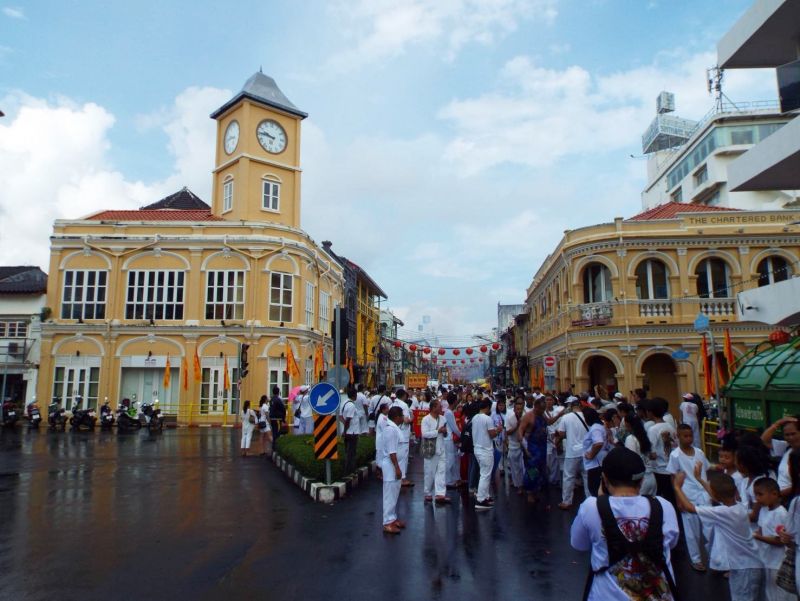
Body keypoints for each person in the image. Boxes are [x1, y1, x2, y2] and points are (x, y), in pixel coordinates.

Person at [570, 446, 680, 601]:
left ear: (604, 479)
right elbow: (671, 543)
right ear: (641, 480)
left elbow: (578, 544)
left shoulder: (591, 507)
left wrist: (601, 499)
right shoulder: (663, 506)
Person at [674, 470, 765, 601]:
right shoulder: (738, 507)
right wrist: (700, 479)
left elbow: (690, 508)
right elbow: (717, 495)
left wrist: (677, 487)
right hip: (745, 565)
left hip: (744, 567)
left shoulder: (723, 512)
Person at [667, 423, 711, 572]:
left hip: (704, 495)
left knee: (710, 528)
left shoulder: (699, 452)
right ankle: (696, 559)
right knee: (691, 530)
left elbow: (706, 471)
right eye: (685, 436)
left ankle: (716, 558)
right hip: (687, 495)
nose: (689, 438)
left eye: (690, 435)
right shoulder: (675, 455)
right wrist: (678, 499)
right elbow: (673, 477)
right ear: (678, 437)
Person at [752, 477, 792, 601]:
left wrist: (758, 537)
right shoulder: (764, 510)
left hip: (778, 562)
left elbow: (780, 541)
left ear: (774, 494)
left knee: (780, 594)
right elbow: (760, 529)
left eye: (760, 494)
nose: (757, 498)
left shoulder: (781, 514)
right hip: (766, 559)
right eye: (756, 495)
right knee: (769, 592)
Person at [555, 400, 590, 509]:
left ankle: (566, 501)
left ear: (571, 406)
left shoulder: (566, 417)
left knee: (568, 477)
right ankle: (589, 500)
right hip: (586, 451)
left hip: (572, 451)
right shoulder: (587, 416)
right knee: (587, 477)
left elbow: (560, 433)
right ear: (580, 406)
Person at [647, 397, 677, 504]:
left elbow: (653, 454)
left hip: (659, 470)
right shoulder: (670, 426)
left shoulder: (653, 429)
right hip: (671, 469)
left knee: (660, 500)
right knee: (671, 499)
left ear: (651, 412)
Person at [381, 407, 406, 534]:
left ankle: (392, 518)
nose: (403, 418)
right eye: (401, 415)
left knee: (394, 494)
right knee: (389, 495)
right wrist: (397, 468)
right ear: (396, 417)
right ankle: (387, 522)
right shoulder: (390, 430)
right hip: (391, 467)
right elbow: (392, 452)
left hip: (395, 466)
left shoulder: (394, 428)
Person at [761, 416, 800, 498]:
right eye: (787, 435)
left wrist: (777, 495)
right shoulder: (787, 447)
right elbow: (764, 440)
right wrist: (778, 423)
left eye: (793, 434)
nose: (790, 438)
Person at [471, 398, 500, 510]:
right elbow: (492, 434)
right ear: (487, 407)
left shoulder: (475, 417)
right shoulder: (487, 419)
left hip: (477, 448)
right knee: (485, 475)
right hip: (485, 449)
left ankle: (485, 496)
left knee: (484, 474)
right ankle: (481, 499)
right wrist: (498, 430)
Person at [519, 397, 548, 504]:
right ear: (535, 407)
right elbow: (520, 431)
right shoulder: (528, 416)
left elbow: (548, 422)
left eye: (543, 409)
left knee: (541, 470)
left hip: (542, 446)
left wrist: (560, 414)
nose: (542, 411)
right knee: (532, 471)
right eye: (540, 409)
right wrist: (525, 449)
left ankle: (535, 491)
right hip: (532, 447)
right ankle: (529, 492)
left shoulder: (542, 415)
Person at [421, 399, 449, 505]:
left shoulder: (443, 418)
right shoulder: (426, 419)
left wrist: (445, 432)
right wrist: (438, 431)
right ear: (433, 408)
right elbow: (424, 434)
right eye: (439, 406)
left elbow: (445, 433)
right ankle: (427, 492)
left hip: (441, 448)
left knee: (441, 471)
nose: (441, 408)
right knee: (430, 472)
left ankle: (440, 494)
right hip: (430, 449)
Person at [583, 408, 616, 497]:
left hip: (596, 465)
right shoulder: (600, 426)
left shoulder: (595, 428)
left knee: (595, 490)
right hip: (601, 462)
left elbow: (598, 443)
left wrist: (591, 455)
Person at [622, 412, 657, 496]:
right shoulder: (645, 436)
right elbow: (654, 456)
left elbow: (631, 461)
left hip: (640, 480)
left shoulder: (630, 439)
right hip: (651, 477)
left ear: (627, 424)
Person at [392, 389, 413, 487]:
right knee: (403, 457)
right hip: (403, 434)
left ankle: (396, 476)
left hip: (394, 433)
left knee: (395, 455)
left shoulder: (392, 404)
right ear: (404, 395)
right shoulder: (404, 405)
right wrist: (412, 418)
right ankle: (403, 479)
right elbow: (406, 420)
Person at [443, 391, 462, 488]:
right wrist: (462, 435)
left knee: (453, 459)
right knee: (449, 460)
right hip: (449, 439)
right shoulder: (449, 413)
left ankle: (453, 479)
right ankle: (448, 481)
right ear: (454, 402)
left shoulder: (448, 412)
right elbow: (454, 428)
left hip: (450, 439)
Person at [544, 394, 565, 486]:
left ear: (553, 401)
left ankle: (557, 480)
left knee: (559, 460)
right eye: (547, 400)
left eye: (550, 400)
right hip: (547, 441)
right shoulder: (542, 412)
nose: (548, 402)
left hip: (558, 439)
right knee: (549, 461)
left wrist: (558, 437)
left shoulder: (558, 410)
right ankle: (550, 478)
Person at [506, 398, 525, 491]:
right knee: (516, 468)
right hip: (513, 445)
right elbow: (508, 432)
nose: (519, 411)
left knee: (527, 467)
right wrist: (516, 426)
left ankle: (531, 486)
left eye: (521, 409)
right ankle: (519, 486)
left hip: (525, 445)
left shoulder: (526, 417)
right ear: (514, 409)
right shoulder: (510, 418)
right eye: (517, 409)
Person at [342, 387, 361, 476]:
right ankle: (350, 471)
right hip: (352, 432)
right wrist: (345, 431)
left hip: (349, 432)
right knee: (351, 453)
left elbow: (342, 417)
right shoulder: (351, 405)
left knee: (349, 452)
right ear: (354, 395)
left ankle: (349, 470)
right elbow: (348, 420)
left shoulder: (345, 403)